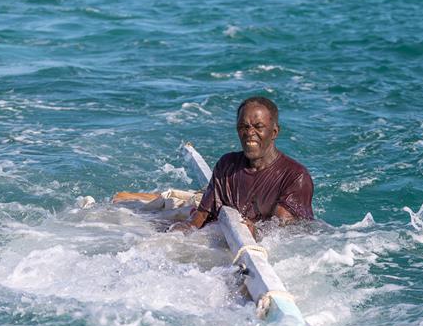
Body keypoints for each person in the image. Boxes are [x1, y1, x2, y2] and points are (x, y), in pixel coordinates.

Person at [112, 96, 314, 233]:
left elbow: (282, 232)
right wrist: (174, 236)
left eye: (258, 127)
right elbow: (200, 218)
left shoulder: (295, 176)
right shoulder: (227, 165)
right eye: (244, 127)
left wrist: (257, 233)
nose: (249, 132)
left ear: (275, 132)